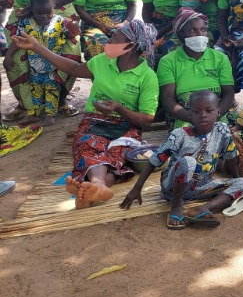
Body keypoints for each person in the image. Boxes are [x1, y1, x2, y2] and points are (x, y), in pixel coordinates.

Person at [11, 20, 159, 209]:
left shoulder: (147, 76)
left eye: (115, 36)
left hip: (126, 126)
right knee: (88, 146)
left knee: (118, 153)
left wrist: (118, 108)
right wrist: (37, 47)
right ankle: (97, 186)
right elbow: (73, 68)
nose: (109, 38)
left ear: (130, 46)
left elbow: (147, 120)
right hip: (94, 120)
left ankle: (90, 189)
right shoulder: (102, 61)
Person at [120, 90, 243, 230]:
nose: (203, 115)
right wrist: (137, 188)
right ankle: (176, 206)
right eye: (197, 111)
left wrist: (235, 178)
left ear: (218, 112)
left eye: (209, 110)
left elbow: (231, 155)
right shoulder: (179, 135)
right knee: (188, 162)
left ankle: (202, 209)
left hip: (200, 189)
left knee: (242, 183)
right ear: (190, 114)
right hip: (172, 188)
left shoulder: (222, 132)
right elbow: (154, 160)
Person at [0, 0, 80, 121]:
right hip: (22, 13)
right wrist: (4, 2)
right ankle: (26, 104)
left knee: (69, 53)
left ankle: (60, 100)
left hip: (55, 11)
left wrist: (43, 8)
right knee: (16, 58)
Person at [3, 0, 81, 127]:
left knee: (52, 88)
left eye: (48, 12)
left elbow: (68, 35)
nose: (44, 16)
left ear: (54, 8)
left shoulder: (60, 21)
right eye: (39, 13)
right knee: (35, 89)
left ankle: (50, 114)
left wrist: (74, 30)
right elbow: (17, 41)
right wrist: (8, 55)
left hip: (53, 67)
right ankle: (34, 114)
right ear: (32, 10)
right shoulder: (26, 23)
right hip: (34, 67)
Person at [156, 8, 235, 131]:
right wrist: (192, 117)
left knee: (227, 134)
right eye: (193, 30)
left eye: (203, 30)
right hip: (185, 115)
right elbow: (167, 99)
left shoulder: (220, 58)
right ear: (181, 34)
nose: (200, 35)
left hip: (216, 111)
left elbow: (229, 93)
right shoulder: (168, 61)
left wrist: (215, 114)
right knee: (186, 136)